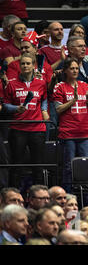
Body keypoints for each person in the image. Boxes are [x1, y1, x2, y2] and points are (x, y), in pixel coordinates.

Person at [3, 52, 49, 188]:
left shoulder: (41, 83)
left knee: (38, 166)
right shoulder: (11, 84)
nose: (25, 66)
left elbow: (44, 99)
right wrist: (15, 108)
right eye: (23, 63)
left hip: (37, 129)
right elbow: (5, 104)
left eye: (28, 63)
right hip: (18, 129)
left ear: (34, 65)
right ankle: (14, 196)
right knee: (16, 166)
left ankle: (39, 196)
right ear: (19, 66)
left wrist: (44, 111)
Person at [53, 58, 88, 192]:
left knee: (86, 166)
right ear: (65, 70)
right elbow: (58, 110)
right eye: (72, 68)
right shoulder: (60, 86)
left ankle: (87, 198)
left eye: (77, 68)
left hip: (84, 132)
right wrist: (73, 100)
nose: (75, 71)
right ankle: (68, 196)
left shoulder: (83, 85)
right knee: (69, 167)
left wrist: (87, 98)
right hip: (68, 133)